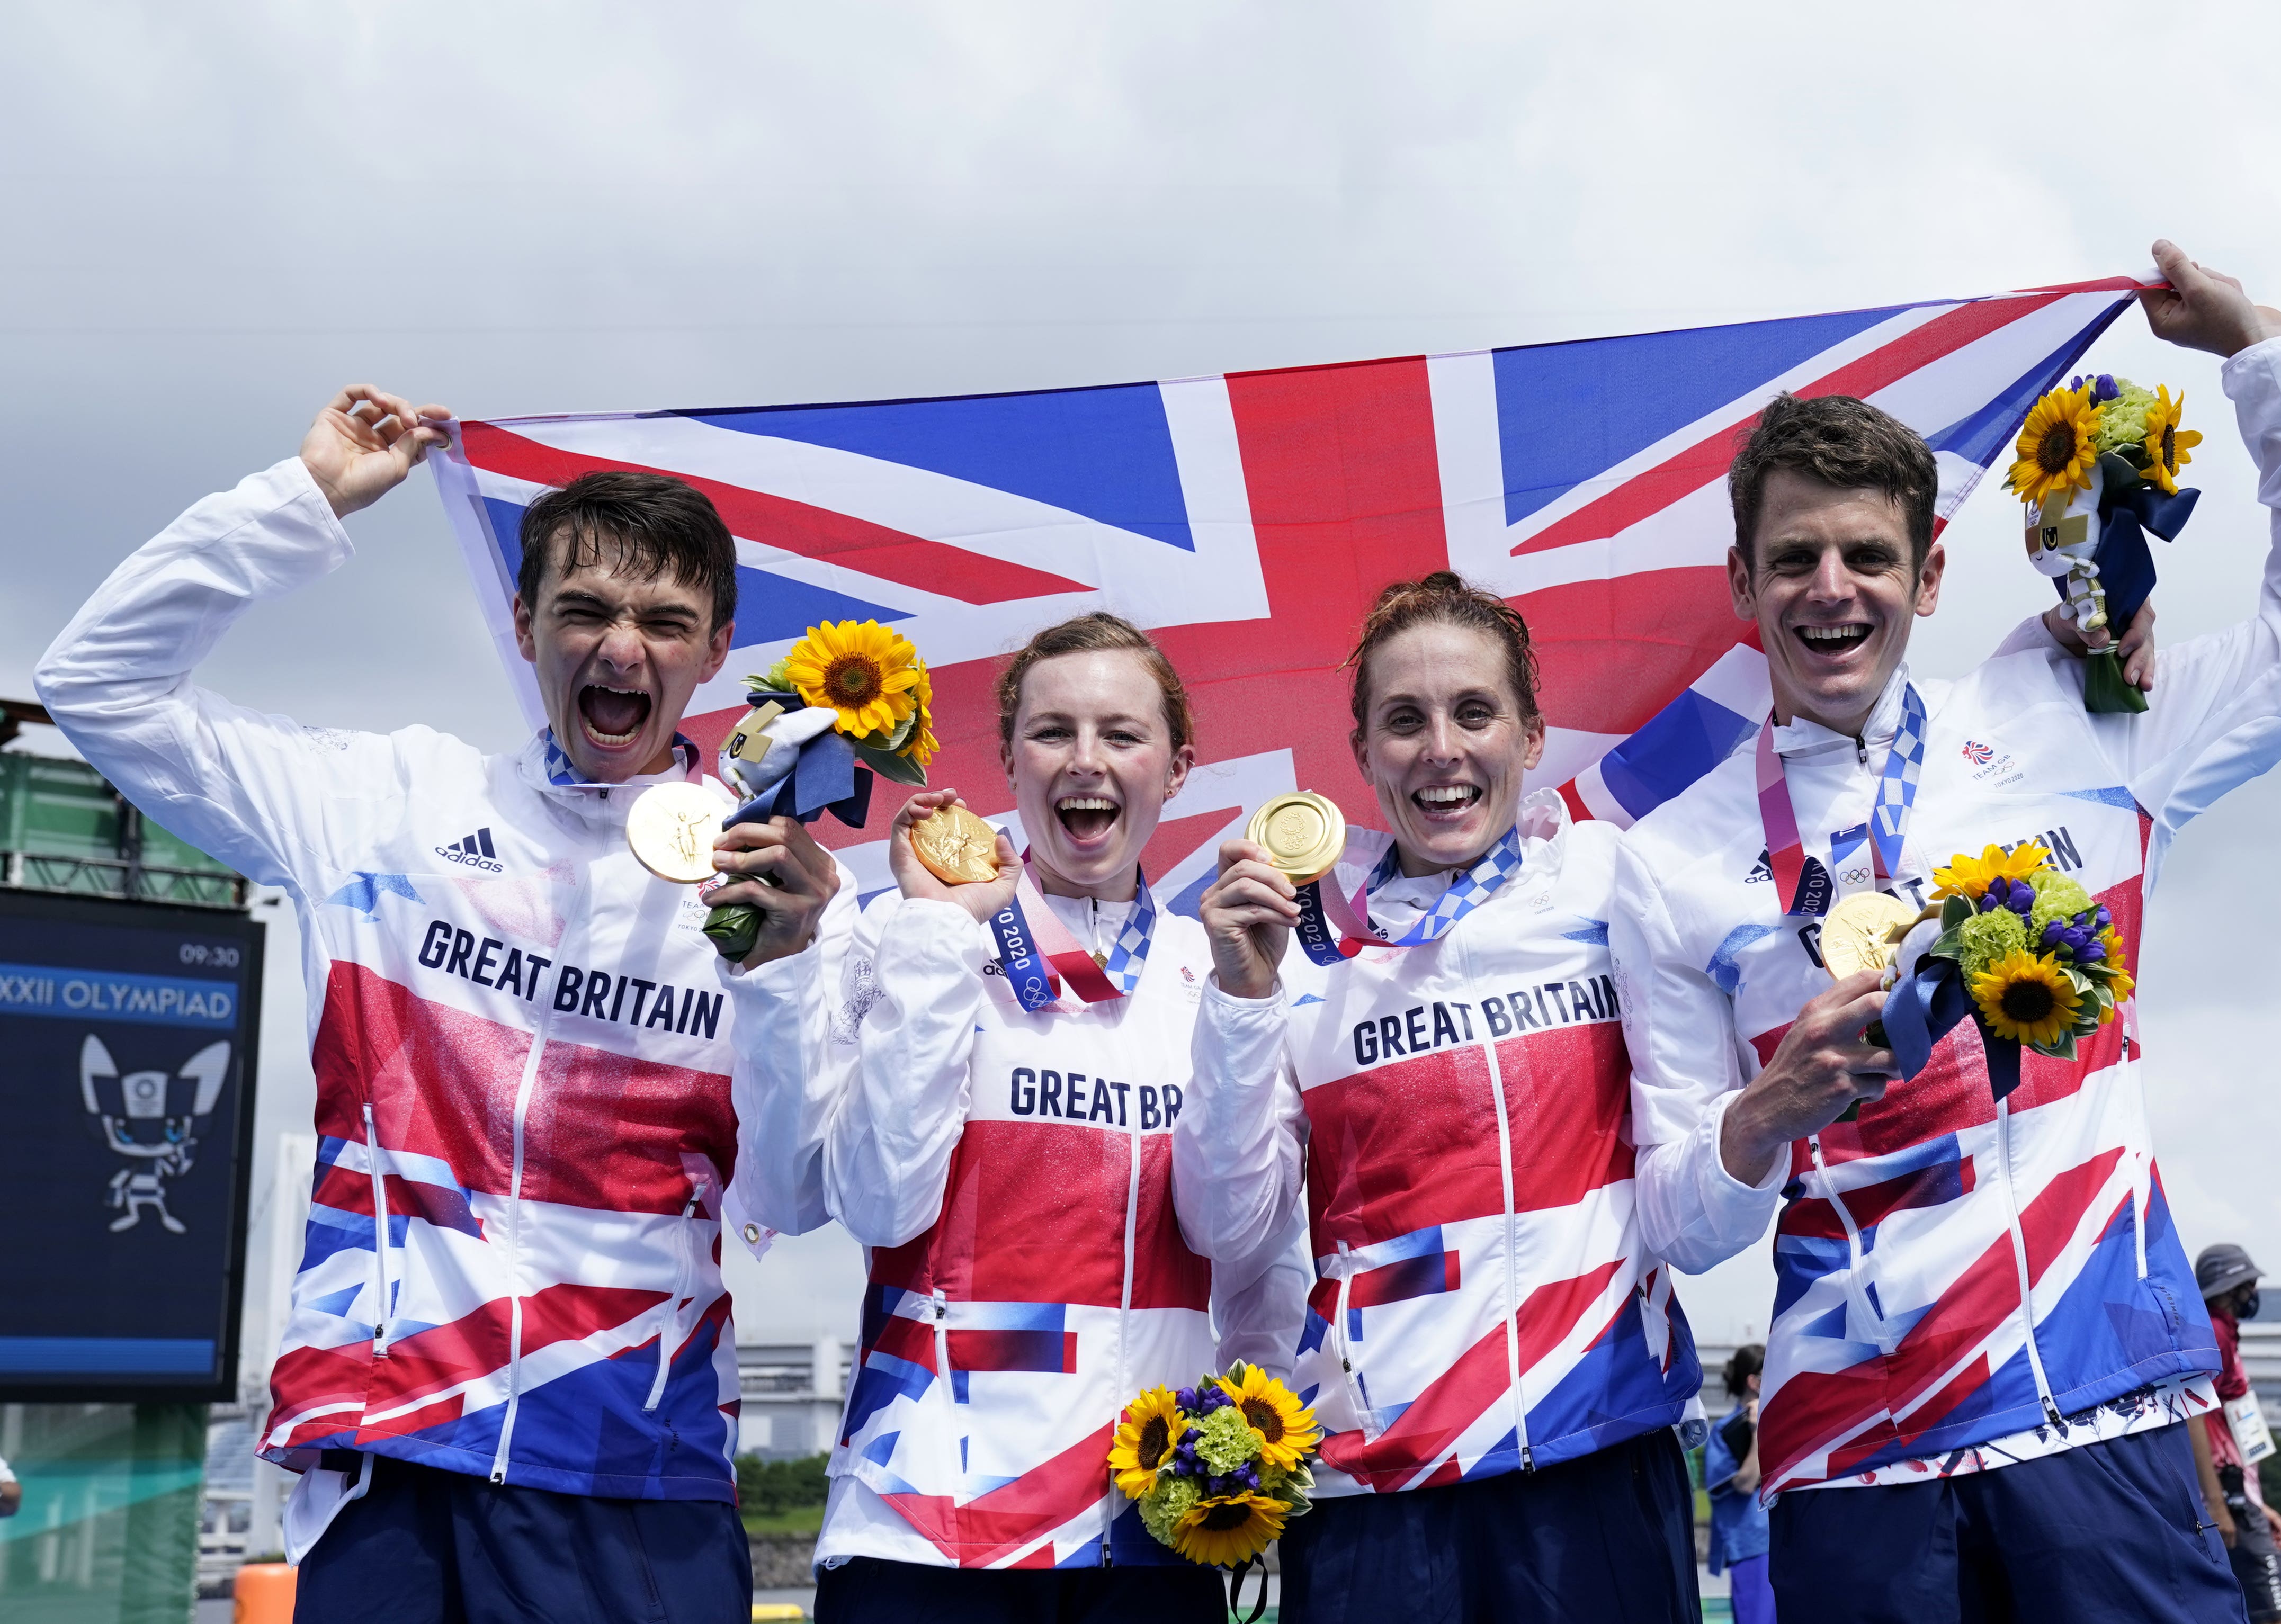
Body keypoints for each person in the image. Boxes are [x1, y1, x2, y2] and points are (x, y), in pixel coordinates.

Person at [1609, 242, 2281, 1622]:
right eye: (1794, 557)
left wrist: (2259, 353)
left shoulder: (2078, 711)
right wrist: (1764, 1112)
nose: (1831, 588)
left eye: (1867, 554)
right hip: (1857, 1446)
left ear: (1931, 569)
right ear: (1742, 581)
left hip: (2097, 1407)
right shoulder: (1668, 862)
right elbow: (1679, 1218)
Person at [35, 388, 857, 1622]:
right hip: (392, 1449)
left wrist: (785, 976)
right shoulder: (387, 805)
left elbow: (793, 1199)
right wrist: (300, 502)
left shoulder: (777, 890)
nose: (620, 649)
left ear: (715, 647)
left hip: (631, 1465)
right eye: (583, 611)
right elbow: (95, 685)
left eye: (661, 621)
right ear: (523, 622)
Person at [749, 613, 1306, 1617]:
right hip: (923, 1521)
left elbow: (1236, 1238)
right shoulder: (911, 932)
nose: (1085, 761)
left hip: (1149, 1520)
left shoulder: (1220, 966)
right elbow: (877, 1207)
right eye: (1052, 732)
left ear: (1176, 768)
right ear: (1007, 757)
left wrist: (1241, 1003)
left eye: (1122, 734)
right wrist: (931, 936)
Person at [1180, 572, 1712, 1623]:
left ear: (1529, 736)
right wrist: (1239, 998)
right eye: (1403, 721)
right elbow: (1225, 1224)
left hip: (1593, 1454)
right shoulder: (1293, 945)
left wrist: (2076, 652)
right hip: (1377, 1491)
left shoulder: (1611, 884)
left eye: (1473, 712)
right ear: (1361, 752)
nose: (1439, 747)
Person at [2190, 1244, 2281, 1624]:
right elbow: (2194, 1414)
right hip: (2228, 1495)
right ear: (2229, 1287)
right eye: (2248, 1282)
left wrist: (2258, 1505)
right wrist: (2219, 1503)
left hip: (2237, 1494)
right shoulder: (2215, 1331)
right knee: (2277, 1614)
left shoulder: (2223, 1332)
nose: (2254, 1291)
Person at [1707, 1345, 1773, 1624]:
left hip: (1784, 1540)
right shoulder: (1725, 1432)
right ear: (1754, 1381)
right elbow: (1745, 1483)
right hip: (1753, 1545)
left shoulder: (1782, 1423)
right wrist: (1758, 1431)